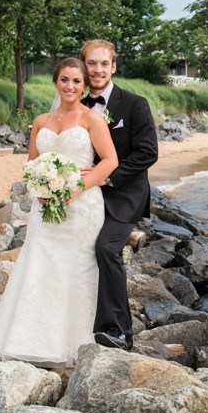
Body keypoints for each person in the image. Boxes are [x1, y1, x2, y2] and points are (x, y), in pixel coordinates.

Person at [0, 58, 118, 368]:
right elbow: (32, 165)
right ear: (55, 82)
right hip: (46, 206)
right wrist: (43, 191)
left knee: (76, 268)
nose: (70, 86)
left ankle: (74, 343)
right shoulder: (40, 121)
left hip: (82, 206)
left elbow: (109, 161)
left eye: (77, 81)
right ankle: (27, 338)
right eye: (64, 80)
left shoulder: (92, 119)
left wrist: (76, 187)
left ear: (84, 85)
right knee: (39, 264)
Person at [80, 39, 158, 350]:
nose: (97, 69)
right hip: (85, 195)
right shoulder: (77, 107)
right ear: (84, 67)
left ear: (114, 67)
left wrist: (106, 178)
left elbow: (147, 153)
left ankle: (118, 331)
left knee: (104, 249)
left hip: (124, 193)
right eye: (91, 63)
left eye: (103, 64)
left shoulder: (135, 104)